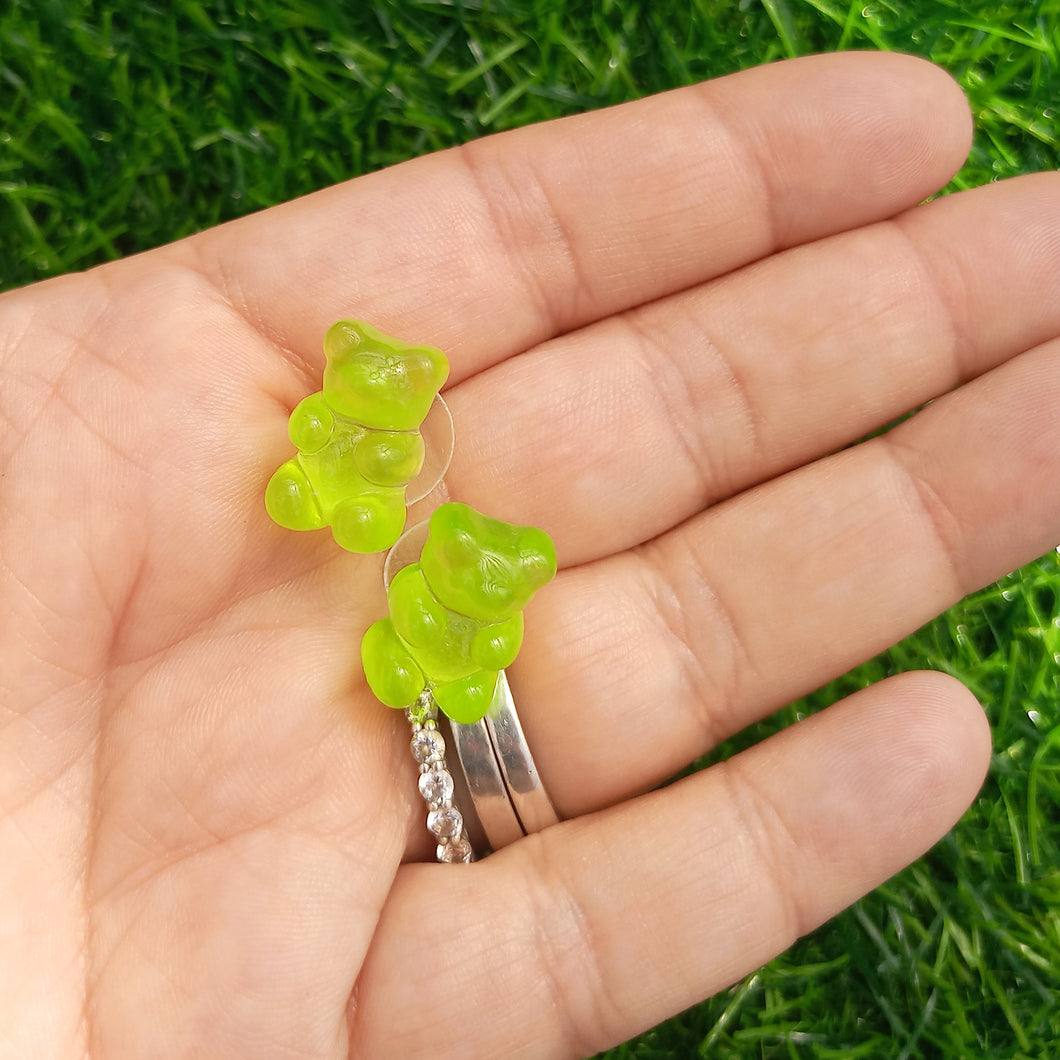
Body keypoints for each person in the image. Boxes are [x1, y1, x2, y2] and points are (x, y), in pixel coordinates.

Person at [1, 50, 1057, 1058]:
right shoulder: (366, 441)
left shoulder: (476, 580)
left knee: (393, 601)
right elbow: (367, 490)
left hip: (426, 650)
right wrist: (337, 468)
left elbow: (474, 622)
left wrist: (453, 647)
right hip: (354, 527)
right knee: (356, 537)